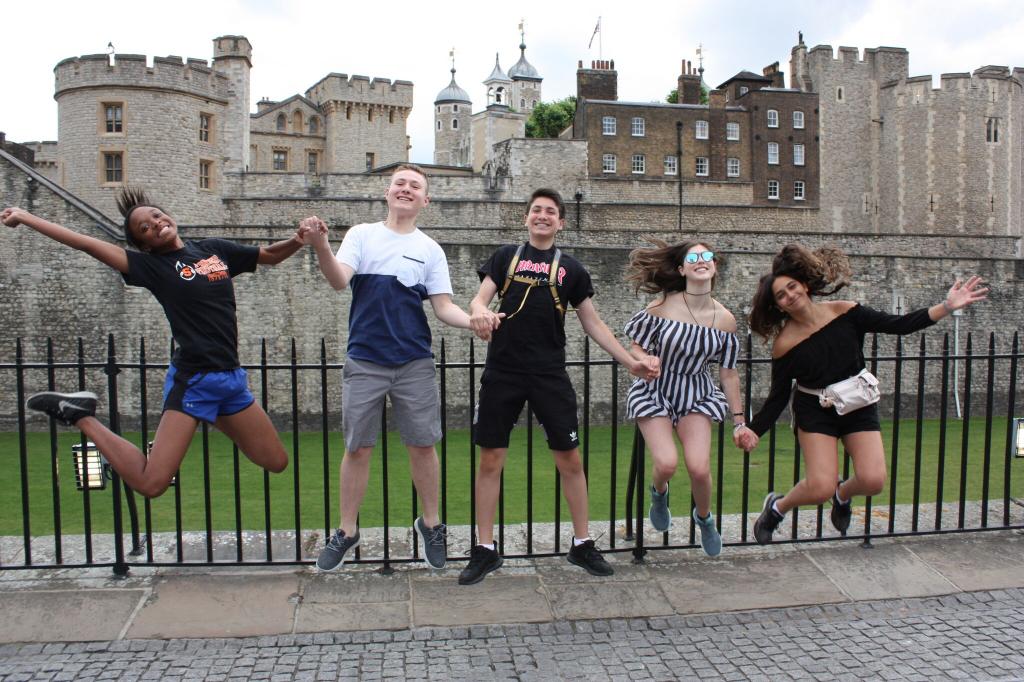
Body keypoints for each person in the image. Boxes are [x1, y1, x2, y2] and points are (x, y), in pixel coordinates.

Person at [2, 187, 310, 498]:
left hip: (230, 379)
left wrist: (298, 240)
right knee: (152, 484)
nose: (155, 224)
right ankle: (80, 414)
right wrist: (26, 217)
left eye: (156, 216)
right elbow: (85, 244)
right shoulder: (152, 268)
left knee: (276, 460)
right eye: (145, 228)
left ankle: (210, 415)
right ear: (143, 245)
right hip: (195, 381)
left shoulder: (213, 250)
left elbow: (268, 255)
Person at [460, 187, 659, 585]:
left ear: (561, 222)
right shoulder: (504, 258)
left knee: (570, 458)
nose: (542, 216)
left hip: (549, 373)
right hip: (503, 371)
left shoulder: (572, 269)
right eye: (536, 210)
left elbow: (593, 323)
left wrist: (630, 361)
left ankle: (582, 542)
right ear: (526, 218)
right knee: (490, 460)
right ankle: (484, 549)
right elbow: (478, 300)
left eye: (550, 212)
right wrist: (480, 313)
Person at [746, 244, 987, 543]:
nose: (789, 296)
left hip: (857, 402)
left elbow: (900, 325)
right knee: (818, 486)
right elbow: (778, 396)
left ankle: (842, 493)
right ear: (778, 306)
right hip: (815, 410)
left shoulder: (847, 312)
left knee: (873, 480)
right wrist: (754, 430)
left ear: (805, 285)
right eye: (780, 296)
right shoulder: (785, 344)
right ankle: (778, 507)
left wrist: (947, 307)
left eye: (791, 287)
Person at [301, 164, 472, 572]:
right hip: (365, 359)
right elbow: (339, 280)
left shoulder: (431, 249)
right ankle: (346, 531)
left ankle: (430, 524)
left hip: (413, 360)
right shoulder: (362, 235)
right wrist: (322, 245)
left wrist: (476, 321)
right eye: (401, 183)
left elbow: (444, 306)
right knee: (357, 447)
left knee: (423, 444)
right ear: (388, 191)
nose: (407, 189)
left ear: (425, 200)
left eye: (416, 185)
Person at [624, 240, 756, 555]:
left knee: (699, 468)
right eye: (693, 257)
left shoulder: (725, 320)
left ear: (714, 267)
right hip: (656, 391)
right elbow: (636, 345)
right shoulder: (661, 307)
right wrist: (645, 359)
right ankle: (659, 493)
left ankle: (704, 518)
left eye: (707, 256)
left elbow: (728, 374)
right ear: (682, 269)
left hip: (696, 393)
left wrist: (739, 422)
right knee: (667, 463)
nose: (701, 260)